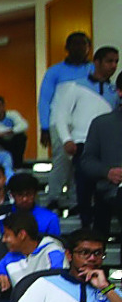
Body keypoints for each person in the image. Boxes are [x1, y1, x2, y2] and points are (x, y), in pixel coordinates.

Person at [51, 46, 119, 225]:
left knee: (104, 193)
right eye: (109, 61)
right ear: (97, 62)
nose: (113, 65)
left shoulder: (114, 91)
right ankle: (85, 225)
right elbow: (61, 114)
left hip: (105, 148)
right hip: (81, 143)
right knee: (83, 190)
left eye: (116, 62)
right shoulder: (76, 86)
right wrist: (66, 139)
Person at [8, 229, 120, 302]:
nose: (92, 258)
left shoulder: (110, 291)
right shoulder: (45, 284)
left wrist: (106, 288)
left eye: (98, 253)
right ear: (69, 255)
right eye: (84, 252)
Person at [80, 75, 122, 233]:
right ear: (119, 92)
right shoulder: (102, 124)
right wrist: (107, 172)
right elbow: (86, 161)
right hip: (112, 189)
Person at [39, 32, 93, 146]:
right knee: (62, 163)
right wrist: (44, 127)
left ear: (89, 47)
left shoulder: (94, 70)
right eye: (76, 44)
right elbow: (44, 100)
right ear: (67, 47)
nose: (80, 47)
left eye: (83, 44)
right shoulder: (54, 71)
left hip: (88, 123)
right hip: (60, 123)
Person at [0, 210, 65, 292]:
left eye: (7, 235)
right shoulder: (10, 257)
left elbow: (59, 279)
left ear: (22, 235)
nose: (3, 240)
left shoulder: (52, 251)